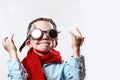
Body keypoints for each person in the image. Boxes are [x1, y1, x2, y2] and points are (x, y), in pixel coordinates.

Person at [2, 17, 86, 80]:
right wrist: (12, 52)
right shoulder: (21, 67)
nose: (45, 37)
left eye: (51, 33)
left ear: (55, 43)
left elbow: (77, 78)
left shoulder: (63, 66)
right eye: (37, 33)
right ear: (28, 43)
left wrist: (76, 48)